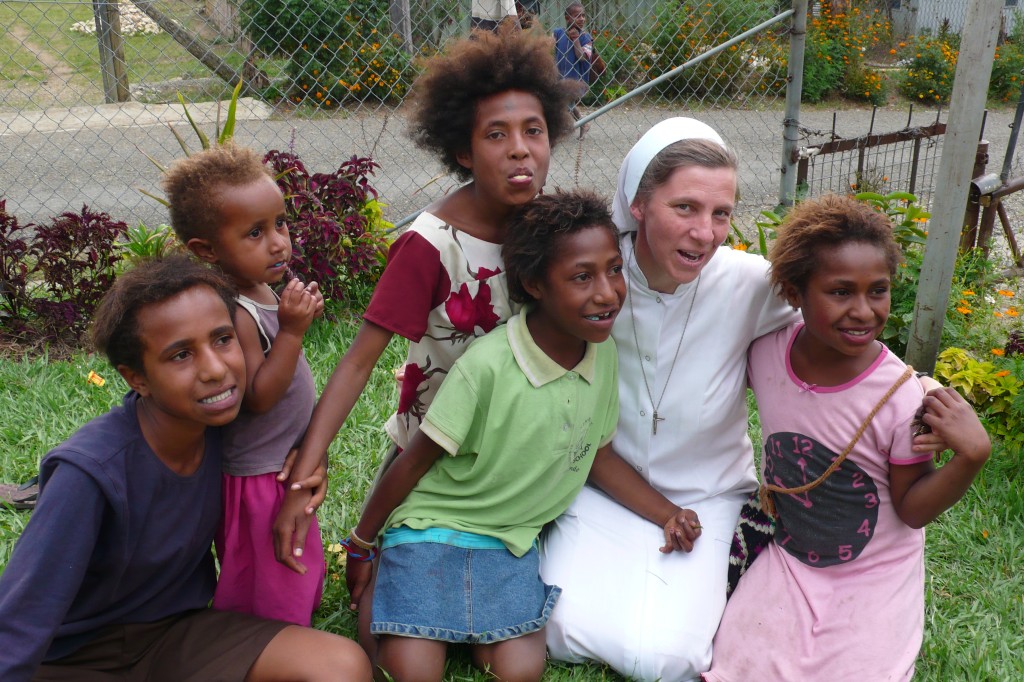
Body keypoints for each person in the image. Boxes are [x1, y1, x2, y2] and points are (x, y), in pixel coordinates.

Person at [272, 24, 574, 647]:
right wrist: (312, 455)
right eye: (496, 135)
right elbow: (360, 360)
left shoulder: (555, 229)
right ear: (462, 151)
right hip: (430, 463)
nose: (520, 150)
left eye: (533, 131)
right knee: (387, 631)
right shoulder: (431, 244)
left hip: (521, 464)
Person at [344, 190, 701, 682]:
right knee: (410, 672)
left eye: (613, 269)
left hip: (509, 547)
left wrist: (668, 512)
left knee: (518, 672)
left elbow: (597, 457)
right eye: (581, 276)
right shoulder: (488, 366)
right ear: (535, 284)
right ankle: (388, 576)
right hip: (432, 529)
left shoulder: (604, 354)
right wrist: (362, 543)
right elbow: (413, 462)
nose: (607, 292)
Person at [0, 256, 371, 682]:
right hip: (74, 657)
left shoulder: (223, 429)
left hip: (176, 636)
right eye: (180, 355)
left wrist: (311, 463)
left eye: (223, 339)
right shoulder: (90, 472)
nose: (215, 369)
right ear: (136, 378)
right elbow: (21, 616)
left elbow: (287, 427)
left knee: (340, 666)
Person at [539, 118, 801, 681]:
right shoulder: (594, 282)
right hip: (600, 488)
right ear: (637, 204)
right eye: (685, 208)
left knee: (669, 660)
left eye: (721, 213)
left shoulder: (749, 282)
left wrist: (919, 387)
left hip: (706, 498)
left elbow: (839, 328)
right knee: (555, 626)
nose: (706, 233)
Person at [704, 195, 990, 681]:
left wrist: (971, 457)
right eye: (840, 292)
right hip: (792, 557)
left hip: (873, 573)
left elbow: (913, 509)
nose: (863, 311)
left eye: (877, 291)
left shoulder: (901, 399)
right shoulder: (767, 352)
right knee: (737, 664)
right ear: (794, 293)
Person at [163, 143, 327, 626]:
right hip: (257, 473)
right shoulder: (233, 307)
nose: (278, 242)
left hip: (279, 462)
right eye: (255, 233)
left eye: (280, 223)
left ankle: (292, 614)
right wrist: (293, 332)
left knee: (293, 549)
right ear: (206, 250)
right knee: (272, 561)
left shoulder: (258, 289)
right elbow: (257, 395)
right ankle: (268, 635)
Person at [553, 2, 593, 136]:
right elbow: (550, 44)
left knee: (564, 102)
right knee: (566, 103)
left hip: (576, 79)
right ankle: (583, 123)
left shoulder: (585, 38)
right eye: (577, 16)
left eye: (583, 15)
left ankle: (575, 125)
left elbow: (582, 56)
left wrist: (575, 39)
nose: (582, 19)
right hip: (561, 75)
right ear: (567, 18)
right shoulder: (559, 33)